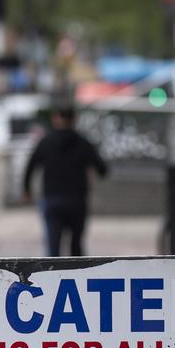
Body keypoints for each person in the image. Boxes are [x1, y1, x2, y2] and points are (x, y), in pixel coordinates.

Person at [22, 105, 108, 256]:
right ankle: (78, 276)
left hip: (52, 199)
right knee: (76, 246)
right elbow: (102, 169)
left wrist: (26, 190)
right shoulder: (83, 143)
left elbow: (30, 166)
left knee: (53, 248)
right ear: (73, 119)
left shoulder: (46, 142)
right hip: (77, 201)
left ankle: (52, 277)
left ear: (56, 118)